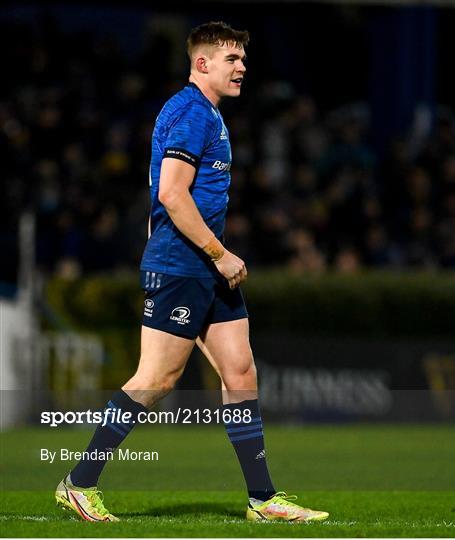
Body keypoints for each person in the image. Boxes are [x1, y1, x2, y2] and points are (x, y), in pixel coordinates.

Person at [55, 21, 329, 524]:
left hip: (204, 263)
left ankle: (263, 499)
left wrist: (213, 256)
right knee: (157, 379)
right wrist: (219, 254)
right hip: (186, 265)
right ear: (202, 63)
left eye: (244, 58)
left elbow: (164, 195)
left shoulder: (206, 113)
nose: (242, 66)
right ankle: (78, 483)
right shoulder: (191, 113)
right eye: (232, 59)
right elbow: (171, 194)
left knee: (241, 372)